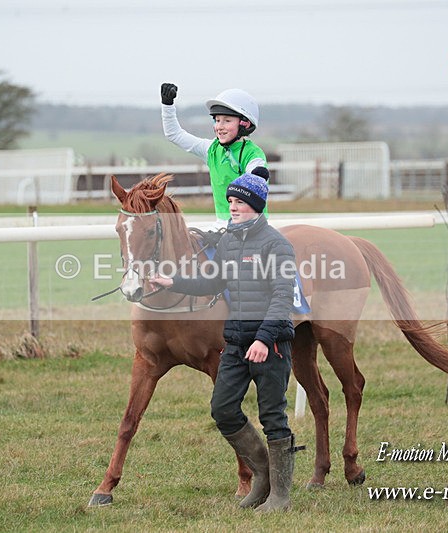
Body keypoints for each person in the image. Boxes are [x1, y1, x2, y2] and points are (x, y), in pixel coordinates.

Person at [150, 173, 298, 512]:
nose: (233, 208)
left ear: (257, 207)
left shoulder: (278, 245)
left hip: (270, 345)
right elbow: (214, 280)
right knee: (223, 409)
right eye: (231, 202)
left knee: (272, 415)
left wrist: (263, 339)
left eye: (240, 203)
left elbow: (282, 297)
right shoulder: (229, 241)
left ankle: (281, 495)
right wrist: (172, 281)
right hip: (235, 342)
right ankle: (263, 477)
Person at [161, 83, 270, 230]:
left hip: (250, 226)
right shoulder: (211, 149)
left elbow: (257, 173)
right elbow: (174, 134)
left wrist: (257, 175)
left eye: (227, 121)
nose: (219, 126)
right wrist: (167, 105)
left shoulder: (252, 153)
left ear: (245, 124)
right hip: (221, 225)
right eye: (217, 120)